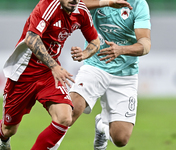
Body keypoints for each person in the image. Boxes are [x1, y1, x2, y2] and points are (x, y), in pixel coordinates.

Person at [0, 0, 101, 149]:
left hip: (48, 73)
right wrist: (54, 66)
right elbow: (31, 38)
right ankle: (3, 140)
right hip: (23, 72)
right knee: (9, 129)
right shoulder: (47, 5)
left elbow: (95, 41)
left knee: (64, 117)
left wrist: (85, 53)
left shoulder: (81, 11)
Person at [52, 0, 151, 149]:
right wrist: (107, 3)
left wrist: (121, 50)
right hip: (95, 66)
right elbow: (73, 5)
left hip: (125, 74)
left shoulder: (138, 4)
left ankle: (101, 127)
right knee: (70, 112)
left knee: (120, 139)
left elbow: (145, 44)